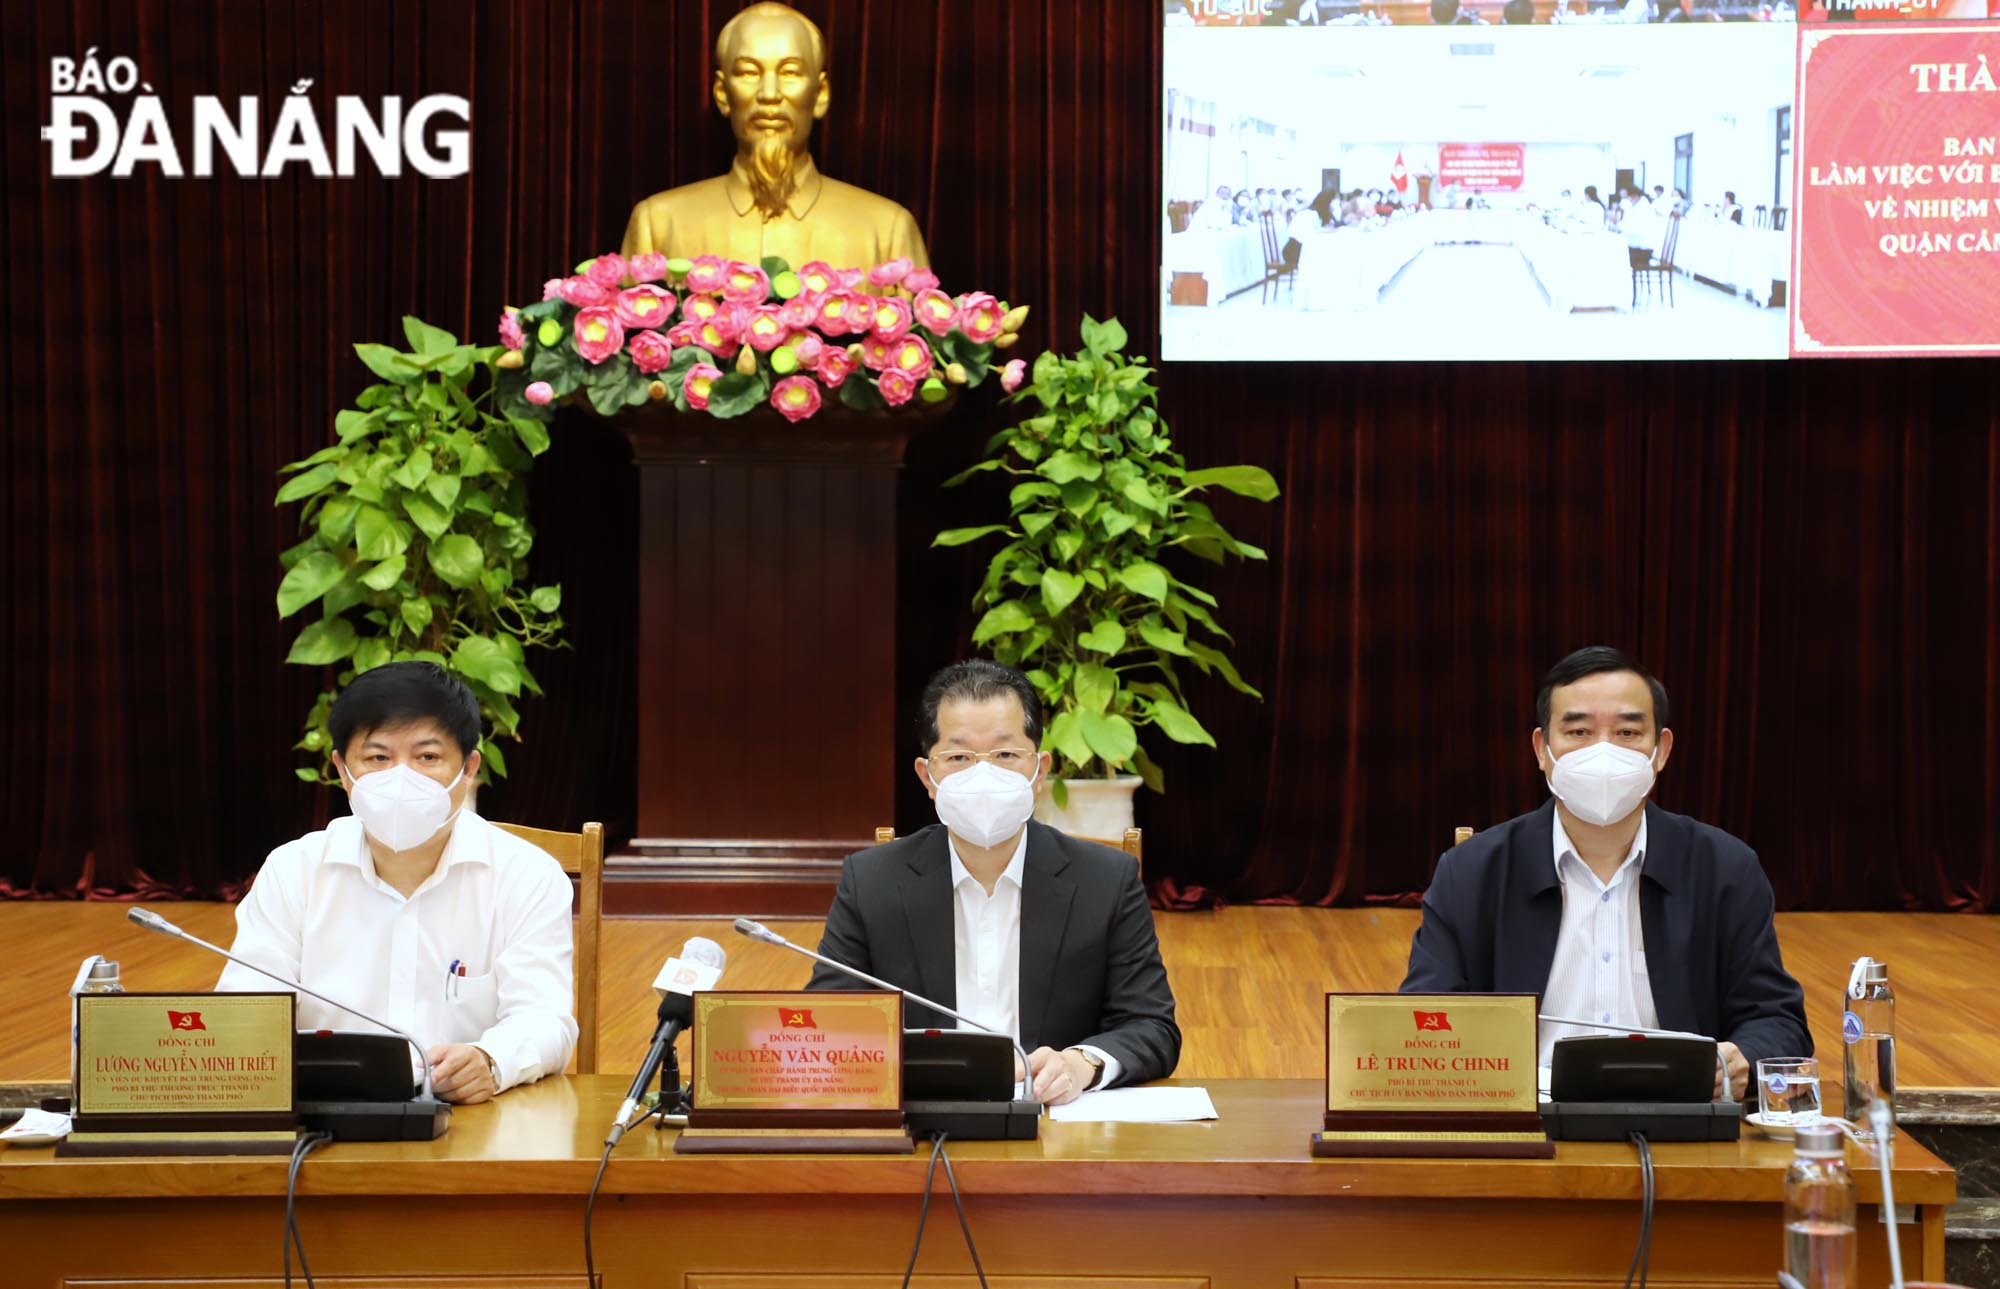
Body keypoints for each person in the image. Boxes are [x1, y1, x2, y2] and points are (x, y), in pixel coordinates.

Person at [1400, 647, 1811, 1100]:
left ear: (1661, 751)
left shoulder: (1724, 868)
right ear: (1542, 750)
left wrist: (1742, 1057)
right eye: (1578, 731)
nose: (1603, 751)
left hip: (1682, 1120)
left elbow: (1778, 1021)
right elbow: (1426, 1015)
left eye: (1628, 732)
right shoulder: (1473, 871)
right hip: (1525, 1122)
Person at [808, 660, 1180, 1106]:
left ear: (1039, 771)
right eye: (960, 757)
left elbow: (1152, 1026)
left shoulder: (1105, 881)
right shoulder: (871, 882)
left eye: (1005, 755)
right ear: (928, 776)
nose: (982, 775)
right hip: (921, 1123)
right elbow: (827, 1025)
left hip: (1055, 1128)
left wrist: (1083, 1063)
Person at [218, 662, 578, 1104]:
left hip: (471, 1119)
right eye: (378, 758)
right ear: (341, 770)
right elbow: (247, 1008)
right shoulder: (294, 870)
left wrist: (488, 1059)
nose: (401, 777)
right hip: (325, 1115)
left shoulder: (526, 875)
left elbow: (545, 1018)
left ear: (468, 769)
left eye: (427, 757)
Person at [621, 2, 927, 269]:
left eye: (790, 72)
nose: (769, 94)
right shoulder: (659, 225)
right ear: (722, 93)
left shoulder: (887, 231)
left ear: (820, 93)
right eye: (749, 73)